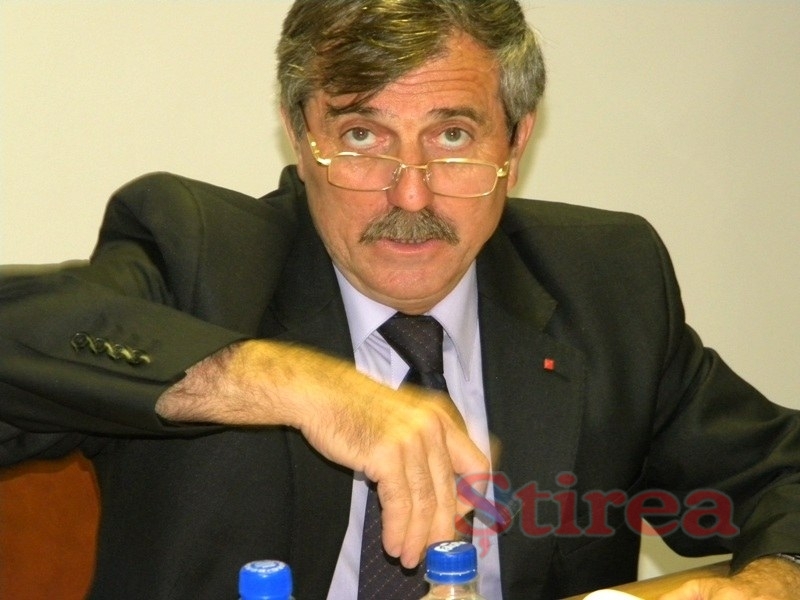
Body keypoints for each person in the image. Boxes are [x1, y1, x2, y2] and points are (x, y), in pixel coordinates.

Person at [1, 0, 798, 598]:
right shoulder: (200, 258)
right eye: (362, 136)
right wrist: (289, 381)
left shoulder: (604, 282)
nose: (409, 194)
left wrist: (771, 580)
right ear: (299, 136)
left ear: (515, 142)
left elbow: (782, 471)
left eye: (453, 137)